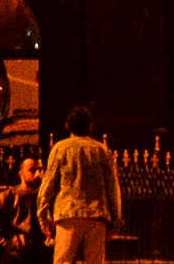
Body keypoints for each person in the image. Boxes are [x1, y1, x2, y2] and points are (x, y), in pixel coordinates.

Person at [36, 107, 121, 264]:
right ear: (90, 126)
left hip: (67, 213)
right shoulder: (102, 151)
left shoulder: (60, 149)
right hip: (97, 215)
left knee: (63, 260)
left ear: (67, 125)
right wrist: (116, 221)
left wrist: (43, 216)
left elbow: (48, 185)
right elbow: (112, 188)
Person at [0, 161, 41, 263]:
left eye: (40, 170)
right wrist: (8, 244)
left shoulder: (45, 199)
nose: (38, 174)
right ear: (21, 173)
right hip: (14, 255)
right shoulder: (6, 197)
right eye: (32, 170)